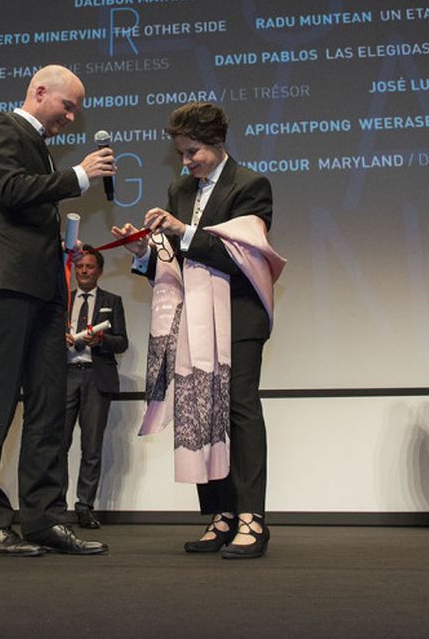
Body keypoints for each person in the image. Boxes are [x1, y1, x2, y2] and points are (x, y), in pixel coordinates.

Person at [112, 102, 284, 559]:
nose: (186, 162)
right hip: (193, 319)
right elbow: (172, 263)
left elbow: (243, 258)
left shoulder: (251, 186)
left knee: (239, 409)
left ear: (216, 142)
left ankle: (252, 519)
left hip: (240, 316)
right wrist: (144, 252)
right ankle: (220, 515)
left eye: (193, 153)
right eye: (182, 154)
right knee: (201, 410)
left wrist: (183, 231)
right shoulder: (180, 189)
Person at [0, 64, 116, 556]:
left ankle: (42, 518)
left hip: (48, 287)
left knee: (49, 404)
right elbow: (9, 190)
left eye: (76, 110)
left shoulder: (45, 153)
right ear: (39, 91)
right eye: (66, 106)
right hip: (7, 283)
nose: (71, 117)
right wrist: (78, 175)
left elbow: (31, 203)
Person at [62, 246, 128, 529]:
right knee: (57, 445)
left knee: (91, 447)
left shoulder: (112, 300)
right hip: (64, 377)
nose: (84, 271)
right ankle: (53, 506)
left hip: (95, 377)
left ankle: (84, 507)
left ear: (99, 271)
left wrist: (101, 341)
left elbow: (122, 341)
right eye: (80, 267)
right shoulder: (62, 300)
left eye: (89, 266)